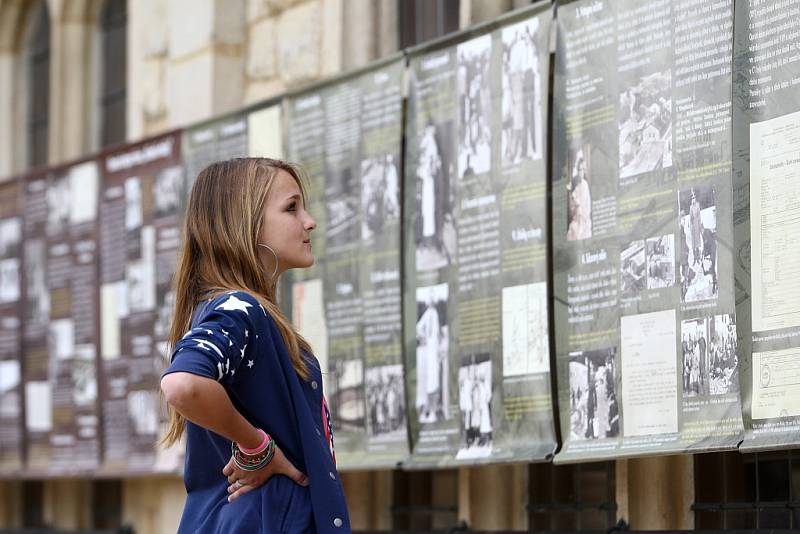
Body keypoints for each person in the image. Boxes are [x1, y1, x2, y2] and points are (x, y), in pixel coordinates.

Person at [159, 158, 350, 533]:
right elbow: (182, 384)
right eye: (291, 208)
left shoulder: (241, 312)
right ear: (246, 226)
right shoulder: (240, 309)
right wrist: (256, 448)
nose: (309, 221)